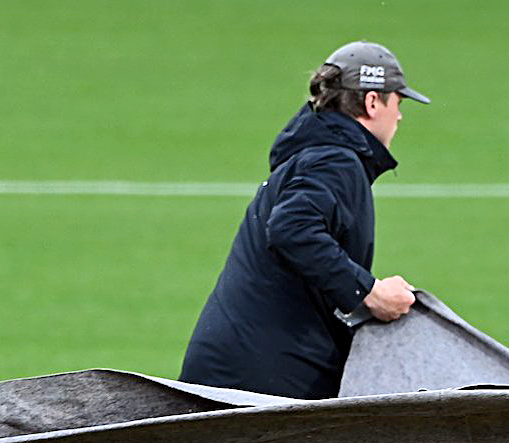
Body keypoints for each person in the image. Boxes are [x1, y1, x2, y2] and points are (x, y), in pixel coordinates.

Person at [181, 41, 426, 398]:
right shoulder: (335, 160)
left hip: (243, 364)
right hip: (260, 375)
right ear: (373, 102)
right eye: (398, 103)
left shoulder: (317, 154)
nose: (400, 116)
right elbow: (292, 228)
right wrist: (368, 292)